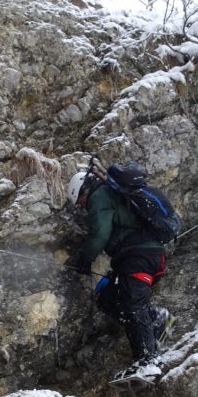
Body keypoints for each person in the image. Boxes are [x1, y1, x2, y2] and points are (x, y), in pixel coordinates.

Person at [67, 162, 172, 384]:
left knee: (133, 304)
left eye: (81, 201)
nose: (83, 206)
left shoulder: (100, 196)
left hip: (139, 256)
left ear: (85, 190)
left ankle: (148, 361)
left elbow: (100, 233)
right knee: (107, 297)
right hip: (140, 258)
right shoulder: (112, 194)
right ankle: (155, 319)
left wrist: (84, 261)